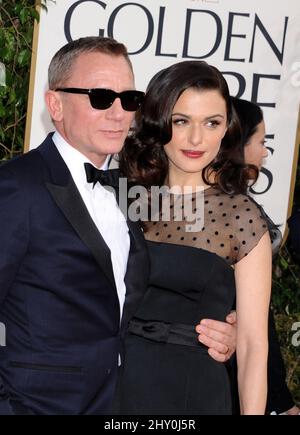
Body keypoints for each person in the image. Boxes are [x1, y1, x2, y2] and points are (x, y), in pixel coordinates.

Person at [0, 37, 236, 415]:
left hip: (124, 403)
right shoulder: (16, 188)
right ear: (55, 103)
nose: (118, 113)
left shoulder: (131, 189)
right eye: (100, 97)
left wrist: (221, 330)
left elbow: (136, 297)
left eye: (129, 100)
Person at [117, 60, 272, 415]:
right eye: (181, 121)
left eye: (211, 122)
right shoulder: (121, 199)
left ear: (226, 129)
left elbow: (251, 344)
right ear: (158, 122)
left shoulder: (241, 217)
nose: (196, 139)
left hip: (191, 393)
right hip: (112, 385)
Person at [230, 97, 299, 416]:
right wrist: (281, 402)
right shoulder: (237, 218)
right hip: (228, 383)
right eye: (260, 141)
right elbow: (256, 327)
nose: (265, 152)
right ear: (237, 144)